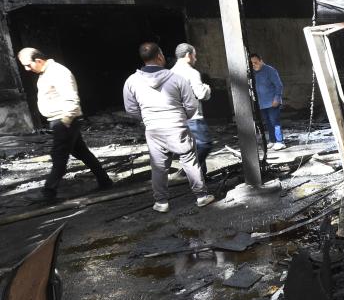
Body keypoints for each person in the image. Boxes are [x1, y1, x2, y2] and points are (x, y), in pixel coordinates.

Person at [123, 42, 214, 213]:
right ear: (159, 56)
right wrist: (181, 118)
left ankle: (161, 203)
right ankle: (201, 196)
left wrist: (146, 120)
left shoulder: (131, 81)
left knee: (158, 166)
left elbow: (131, 109)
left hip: (153, 130)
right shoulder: (176, 79)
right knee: (189, 161)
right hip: (177, 126)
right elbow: (191, 105)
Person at [17, 47, 112, 203]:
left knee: (59, 157)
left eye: (28, 65)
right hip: (61, 120)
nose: (27, 69)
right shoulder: (47, 73)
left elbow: (72, 99)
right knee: (83, 153)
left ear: (38, 60)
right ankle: (105, 181)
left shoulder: (58, 72)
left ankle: (48, 193)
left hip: (64, 120)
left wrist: (65, 122)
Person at [171, 43, 212, 177]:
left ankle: (201, 178)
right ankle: (186, 171)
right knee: (205, 144)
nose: (196, 59)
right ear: (188, 55)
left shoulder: (170, 73)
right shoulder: (192, 72)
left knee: (193, 148)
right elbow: (201, 94)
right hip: (194, 117)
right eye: (195, 55)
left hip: (178, 118)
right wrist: (207, 88)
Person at [250, 53, 285, 150]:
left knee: (275, 122)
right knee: (268, 122)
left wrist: (277, 98)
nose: (254, 65)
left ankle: (280, 141)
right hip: (261, 103)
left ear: (261, 61)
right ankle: (272, 141)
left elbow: (279, 85)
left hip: (272, 101)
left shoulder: (270, 70)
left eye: (255, 62)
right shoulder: (252, 73)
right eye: (251, 64)